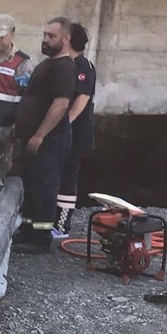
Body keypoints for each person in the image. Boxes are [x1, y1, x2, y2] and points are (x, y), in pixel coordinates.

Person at [11, 17, 77, 256]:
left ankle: (40, 238)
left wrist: (39, 135)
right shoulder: (47, 64)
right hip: (32, 138)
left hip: (49, 140)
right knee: (30, 185)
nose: (46, 40)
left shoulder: (64, 68)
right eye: (44, 35)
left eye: (52, 36)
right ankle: (28, 229)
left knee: (44, 188)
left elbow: (60, 105)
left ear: (65, 39)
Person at [53, 22, 96, 237]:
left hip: (75, 135)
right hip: (59, 133)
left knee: (67, 178)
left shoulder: (83, 66)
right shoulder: (62, 64)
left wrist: (64, 123)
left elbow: (82, 99)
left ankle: (61, 226)